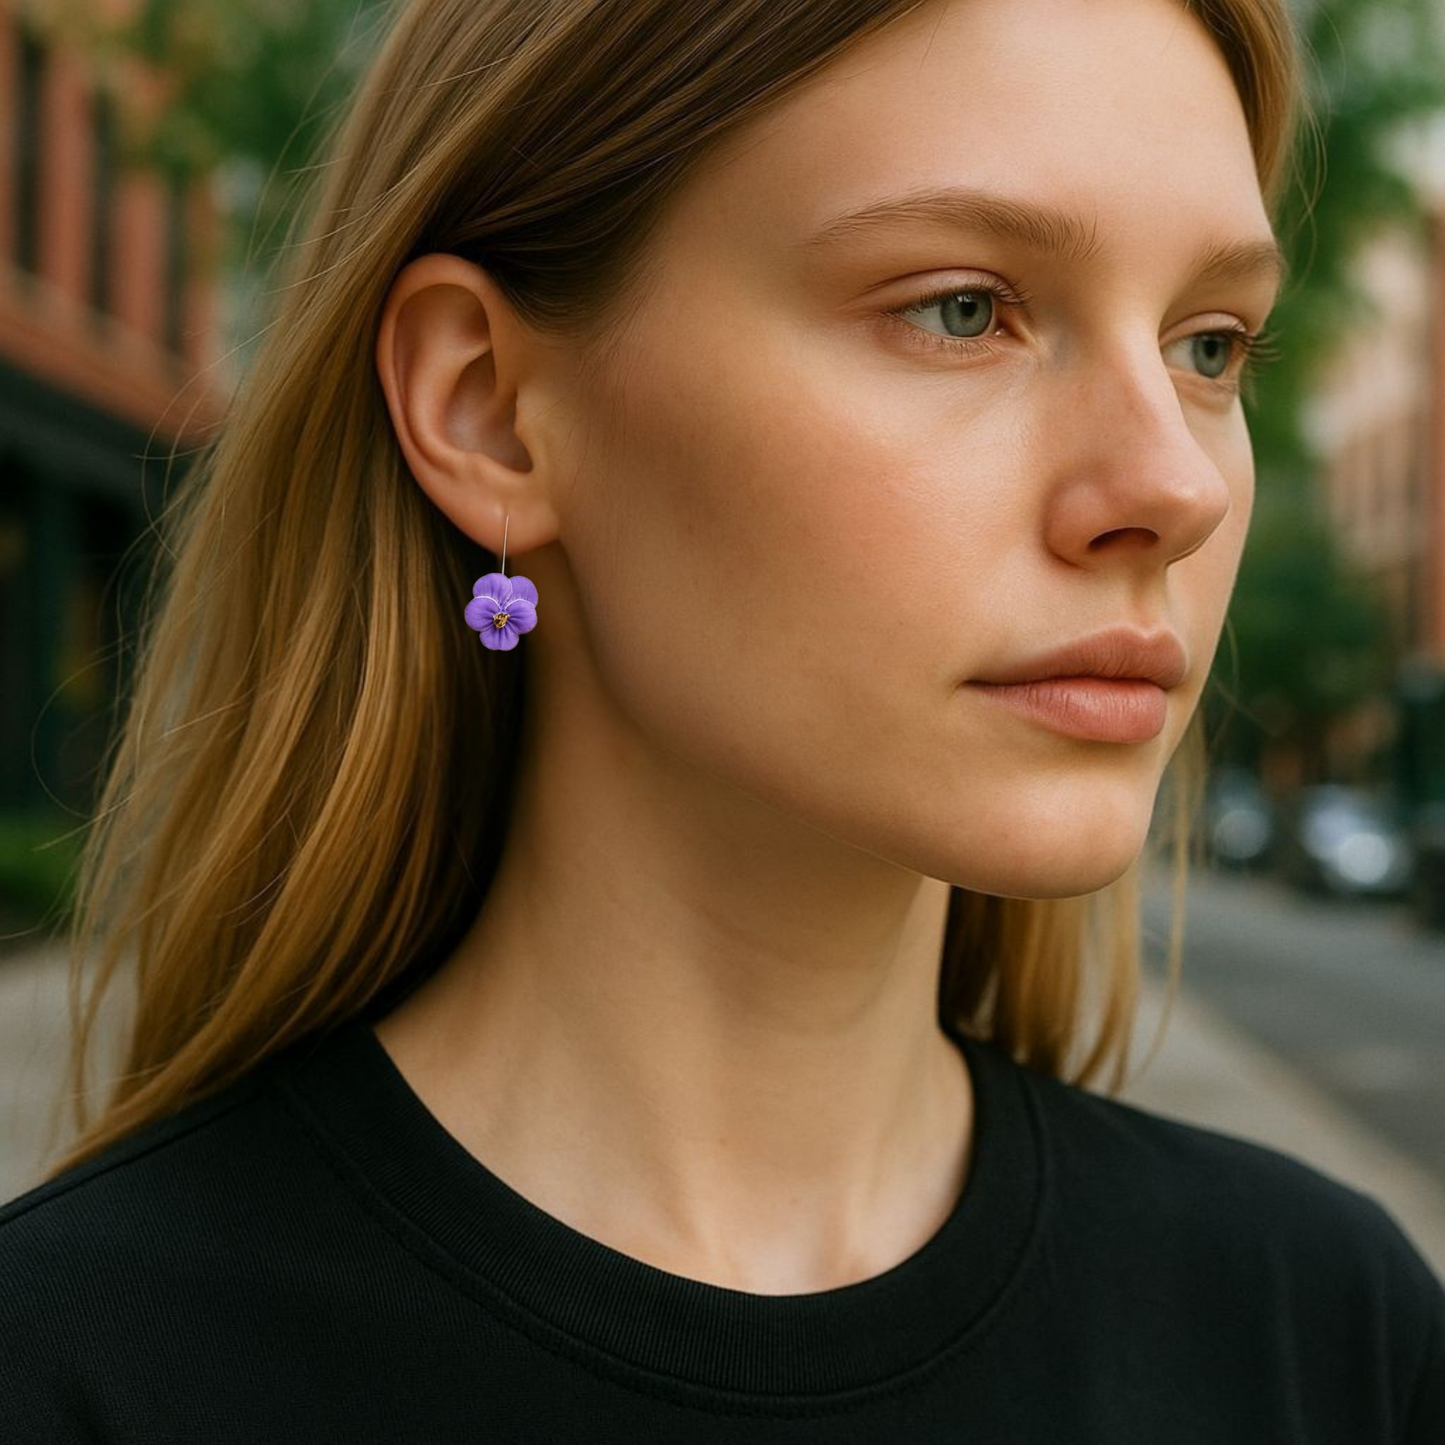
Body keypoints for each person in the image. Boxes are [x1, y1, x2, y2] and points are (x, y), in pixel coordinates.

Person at [3, 0, 1442, 1438]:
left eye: (1210, 346)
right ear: (490, 408)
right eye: (961, 308)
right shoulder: (79, 1375)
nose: (1174, 487)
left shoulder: (1330, 1341)